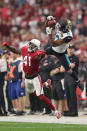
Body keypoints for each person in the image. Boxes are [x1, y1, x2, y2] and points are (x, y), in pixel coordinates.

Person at [1, 39, 61, 119]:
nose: (30, 46)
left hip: (34, 77)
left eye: (33, 45)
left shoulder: (38, 53)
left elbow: (38, 56)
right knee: (32, 92)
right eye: (30, 44)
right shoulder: (24, 49)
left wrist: (41, 52)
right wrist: (8, 47)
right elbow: (16, 51)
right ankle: (46, 84)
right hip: (26, 78)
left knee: (41, 96)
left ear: (36, 47)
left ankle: (56, 111)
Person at [45, 16, 83, 90]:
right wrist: (48, 22)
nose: (60, 28)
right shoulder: (59, 25)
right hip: (53, 49)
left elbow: (54, 43)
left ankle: (78, 81)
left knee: (68, 70)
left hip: (61, 52)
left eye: (62, 28)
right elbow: (47, 25)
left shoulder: (68, 36)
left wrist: (49, 34)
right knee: (40, 53)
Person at [64, 44, 79, 116]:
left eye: (72, 48)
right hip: (66, 77)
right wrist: (65, 67)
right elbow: (61, 69)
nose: (70, 50)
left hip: (72, 77)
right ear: (67, 49)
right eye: (69, 48)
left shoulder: (75, 57)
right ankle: (70, 111)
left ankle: (74, 112)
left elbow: (71, 66)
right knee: (68, 95)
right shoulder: (65, 57)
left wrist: (65, 67)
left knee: (72, 95)